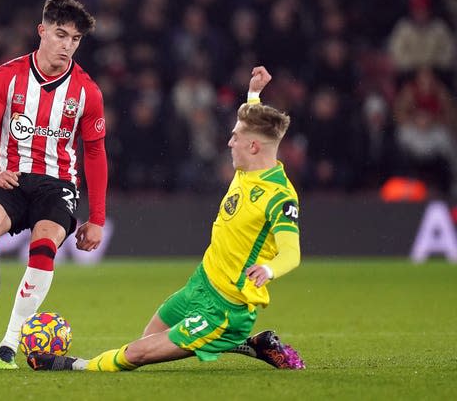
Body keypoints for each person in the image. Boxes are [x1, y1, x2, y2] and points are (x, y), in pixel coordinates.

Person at [28, 66, 305, 372]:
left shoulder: (279, 196)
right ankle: (251, 344)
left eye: (235, 137)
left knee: (137, 355)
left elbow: (291, 253)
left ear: (253, 146)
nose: (229, 143)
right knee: (147, 338)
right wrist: (254, 92)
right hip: (202, 283)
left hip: (226, 307)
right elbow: (254, 124)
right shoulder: (250, 165)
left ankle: (74, 366)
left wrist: (269, 268)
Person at [0, 0, 107, 369]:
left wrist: (97, 216)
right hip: (12, 178)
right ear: (42, 31)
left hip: (57, 185)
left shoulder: (86, 91)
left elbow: (95, 155)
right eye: (61, 35)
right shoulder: (7, 75)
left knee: (44, 245)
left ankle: (10, 345)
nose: (67, 45)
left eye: (75, 39)